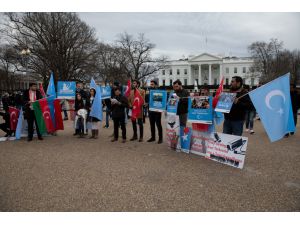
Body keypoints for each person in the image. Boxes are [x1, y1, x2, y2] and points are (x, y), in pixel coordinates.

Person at [147, 80, 163, 144]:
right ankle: (153, 137)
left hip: (157, 111)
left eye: (152, 84)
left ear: (156, 85)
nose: (151, 85)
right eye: (150, 84)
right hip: (151, 110)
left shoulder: (159, 91)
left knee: (158, 124)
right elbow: (148, 100)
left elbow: (160, 100)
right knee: (152, 124)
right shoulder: (149, 92)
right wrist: (147, 103)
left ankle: (160, 138)